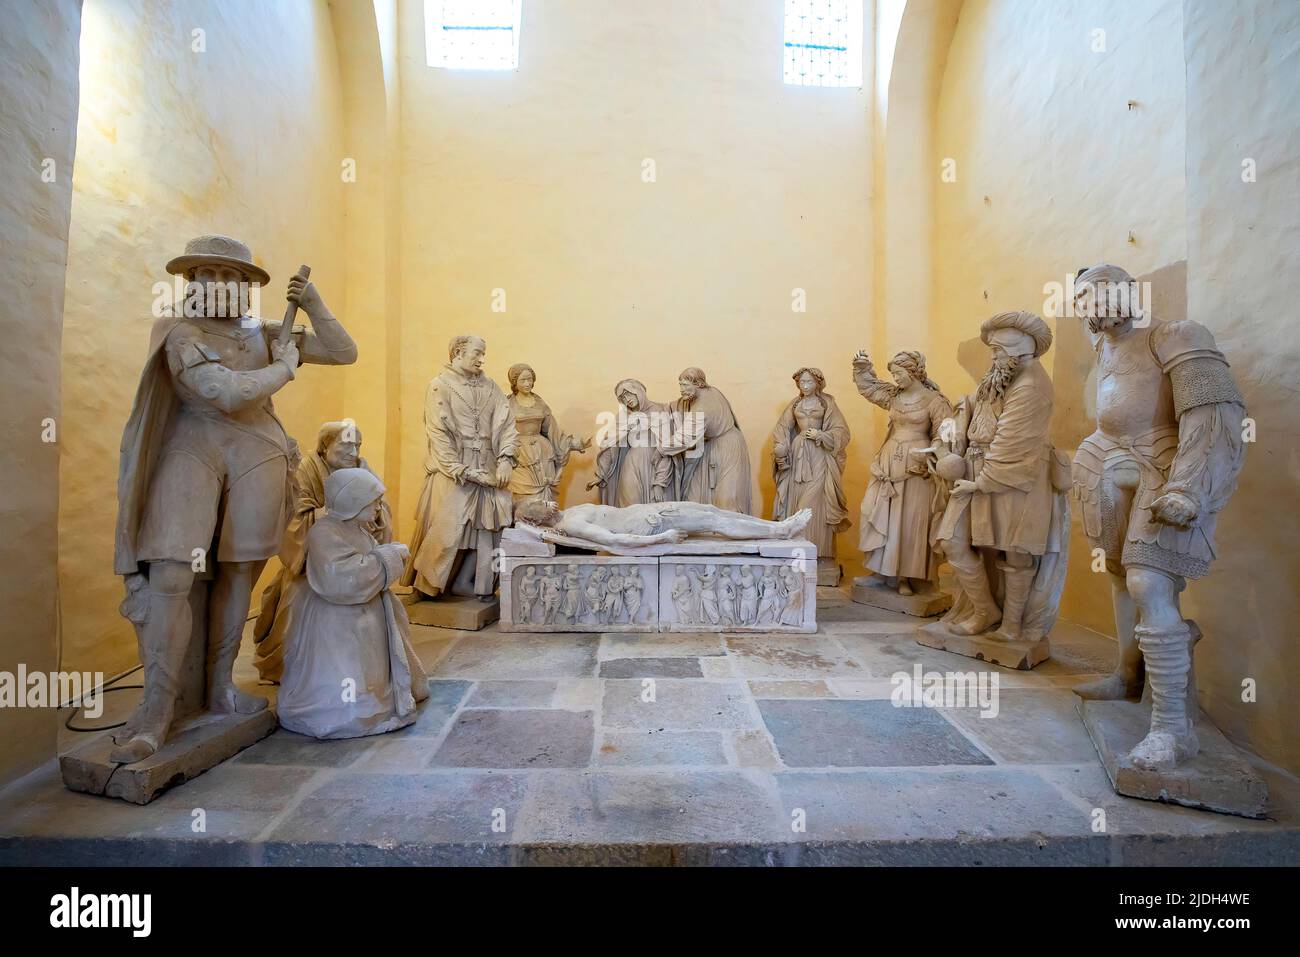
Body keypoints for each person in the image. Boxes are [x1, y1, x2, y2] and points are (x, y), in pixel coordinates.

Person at [111, 235, 356, 763]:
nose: (222, 284)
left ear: (247, 286)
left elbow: (342, 351)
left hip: (257, 451)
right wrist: (284, 368)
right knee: (172, 571)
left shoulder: (264, 331)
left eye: (233, 276)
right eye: (209, 273)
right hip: (192, 445)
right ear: (191, 280)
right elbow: (221, 391)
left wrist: (313, 304)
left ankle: (220, 687)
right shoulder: (178, 331)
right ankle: (157, 709)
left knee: (239, 570)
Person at [1070, 264, 1246, 769]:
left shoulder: (1176, 336)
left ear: (1123, 293)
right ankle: (1128, 676)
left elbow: (1212, 412)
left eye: (1094, 294)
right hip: (1109, 464)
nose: (1087, 306)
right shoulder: (1102, 346)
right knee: (1122, 577)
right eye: (1079, 299)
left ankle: (1172, 728)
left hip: (1164, 469)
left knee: (1151, 584)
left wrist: (1188, 489)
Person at [931, 312, 1070, 642]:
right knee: (952, 540)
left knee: (1016, 549)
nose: (992, 356)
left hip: (1015, 477)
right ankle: (984, 610)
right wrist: (950, 447)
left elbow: (1013, 441)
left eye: (997, 350)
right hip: (979, 469)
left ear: (1020, 348)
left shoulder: (1032, 385)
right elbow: (973, 417)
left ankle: (1011, 627)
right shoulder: (999, 377)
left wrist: (981, 483)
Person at [278, 469, 428, 739]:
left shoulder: (355, 529)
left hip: (361, 614)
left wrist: (385, 556)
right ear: (352, 501)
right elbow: (341, 580)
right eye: (373, 502)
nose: (379, 508)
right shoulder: (324, 532)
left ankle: (375, 695)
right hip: (337, 621)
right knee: (348, 678)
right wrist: (389, 557)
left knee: (368, 668)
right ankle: (353, 707)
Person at [252, 420, 388, 683]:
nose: (354, 452)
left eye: (358, 445)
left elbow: (381, 511)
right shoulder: (306, 471)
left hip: (353, 557)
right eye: (346, 444)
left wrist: (371, 509)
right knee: (296, 604)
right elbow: (293, 518)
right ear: (325, 446)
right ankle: (289, 666)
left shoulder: (362, 469)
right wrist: (337, 512)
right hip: (310, 561)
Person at [402, 335, 518, 601]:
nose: (481, 359)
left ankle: (473, 585)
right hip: (452, 469)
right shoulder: (439, 385)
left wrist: (505, 459)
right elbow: (437, 432)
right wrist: (460, 469)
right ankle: (428, 587)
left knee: (487, 528)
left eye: (483, 354)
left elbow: (507, 424)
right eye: (477, 353)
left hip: (488, 466)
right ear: (458, 352)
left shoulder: (491, 387)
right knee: (446, 528)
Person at [852, 350, 953, 595]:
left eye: (899, 373)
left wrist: (932, 454)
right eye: (893, 374)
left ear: (913, 372)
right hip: (888, 460)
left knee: (910, 520)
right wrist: (862, 367)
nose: (895, 378)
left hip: (916, 466)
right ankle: (881, 572)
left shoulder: (935, 400)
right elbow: (869, 389)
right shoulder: (894, 396)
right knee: (881, 513)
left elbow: (947, 433)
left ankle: (908, 577)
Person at [513, 499, 812, 550]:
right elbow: (616, 541)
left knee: (710, 509)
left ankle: (776, 524)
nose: (544, 500)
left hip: (648, 510)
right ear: (534, 518)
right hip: (650, 524)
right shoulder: (574, 523)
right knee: (713, 521)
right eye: (536, 503)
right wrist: (663, 538)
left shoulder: (572, 509)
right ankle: (780, 531)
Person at [772, 367, 851, 559]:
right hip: (799, 454)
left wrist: (822, 435)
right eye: (801, 382)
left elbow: (842, 431)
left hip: (819, 455)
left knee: (812, 503)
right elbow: (782, 427)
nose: (805, 385)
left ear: (818, 383)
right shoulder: (795, 404)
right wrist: (782, 446)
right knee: (797, 501)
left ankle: (819, 555)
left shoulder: (827, 402)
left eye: (809, 382)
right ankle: (796, 555)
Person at [660, 367, 754, 513]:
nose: (681, 389)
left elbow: (686, 438)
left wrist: (661, 448)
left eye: (685, 385)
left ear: (698, 384)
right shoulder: (708, 391)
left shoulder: (703, 406)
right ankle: (703, 531)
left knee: (726, 498)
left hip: (728, 449)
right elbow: (677, 405)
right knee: (695, 494)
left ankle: (731, 532)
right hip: (709, 447)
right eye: (680, 385)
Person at [505, 363, 589, 505]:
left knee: (545, 501)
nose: (527, 383)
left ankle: (544, 525)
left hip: (543, 455)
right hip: (519, 456)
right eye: (523, 380)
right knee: (522, 496)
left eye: (530, 379)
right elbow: (500, 431)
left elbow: (552, 430)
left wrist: (574, 444)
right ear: (514, 382)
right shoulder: (507, 404)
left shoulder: (540, 403)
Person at [588, 378, 673, 506]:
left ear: (639, 390)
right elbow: (610, 446)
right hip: (630, 464)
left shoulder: (660, 410)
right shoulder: (623, 417)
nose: (627, 399)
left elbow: (667, 449)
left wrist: (660, 482)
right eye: (622, 397)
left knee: (654, 509)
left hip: (654, 465)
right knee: (629, 505)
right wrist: (600, 474)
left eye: (628, 393)